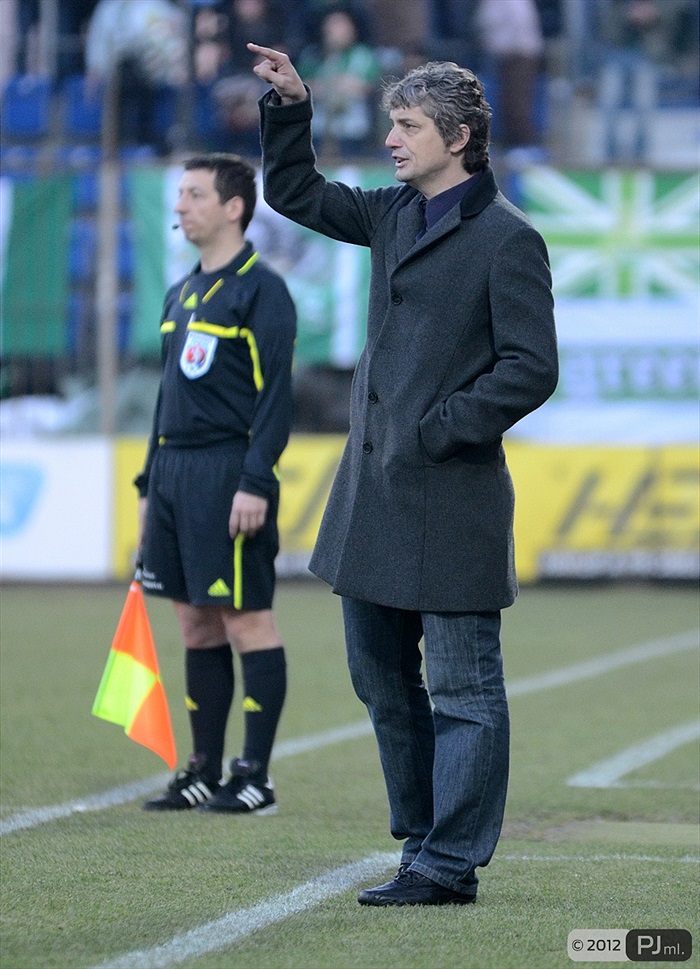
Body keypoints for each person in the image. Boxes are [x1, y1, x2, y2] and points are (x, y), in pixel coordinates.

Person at [248, 44, 558, 904]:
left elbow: (530, 367)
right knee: (380, 679)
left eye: (408, 125)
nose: (391, 138)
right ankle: (423, 841)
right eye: (391, 122)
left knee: (464, 688)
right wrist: (292, 106)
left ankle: (449, 863)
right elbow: (297, 193)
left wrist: (438, 429)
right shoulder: (391, 213)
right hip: (373, 500)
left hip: (451, 495)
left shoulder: (510, 239)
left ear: (457, 137)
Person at [134, 152, 297, 814]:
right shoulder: (180, 293)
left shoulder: (262, 290)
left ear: (234, 206)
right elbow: (167, 396)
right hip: (173, 475)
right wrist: (150, 485)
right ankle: (201, 767)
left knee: (245, 619)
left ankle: (254, 773)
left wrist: (255, 480)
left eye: (194, 194)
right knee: (194, 622)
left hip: (227, 472)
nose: (180, 206)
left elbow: (275, 397)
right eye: (178, 195)